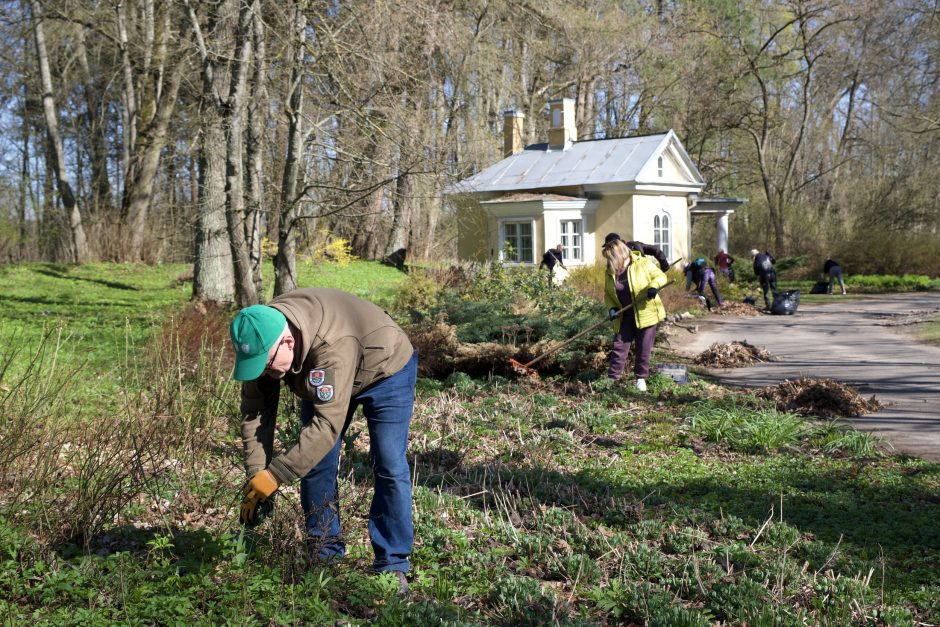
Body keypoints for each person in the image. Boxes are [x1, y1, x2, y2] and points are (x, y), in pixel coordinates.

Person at [230, 288, 417, 592]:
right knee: (316, 463)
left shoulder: (332, 344)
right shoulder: (262, 335)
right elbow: (255, 414)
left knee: (389, 462)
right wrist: (256, 478)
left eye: (265, 365)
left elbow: (327, 425)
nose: (262, 372)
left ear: (288, 343)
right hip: (323, 372)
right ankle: (324, 555)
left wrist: (275, 475)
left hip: (385, 367)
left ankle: (392, 563)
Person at [601, 237, 668, 391]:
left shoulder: (642, 263)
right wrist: (611, 308)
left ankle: (640, 379)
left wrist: (653, 286)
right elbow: (608, 294)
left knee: (643, 348)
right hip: (625, 315)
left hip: (646, 312)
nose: (609, 262)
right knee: (619, 346)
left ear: (619, 254)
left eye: (611, 258)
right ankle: (612, 380)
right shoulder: (610, 272)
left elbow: (661, 276)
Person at [603, 232, 670, 272]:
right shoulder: (611, 258)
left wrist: (664, 267)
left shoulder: (635, 245)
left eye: (610, 247)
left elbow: (655, 250)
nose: (608, 250)